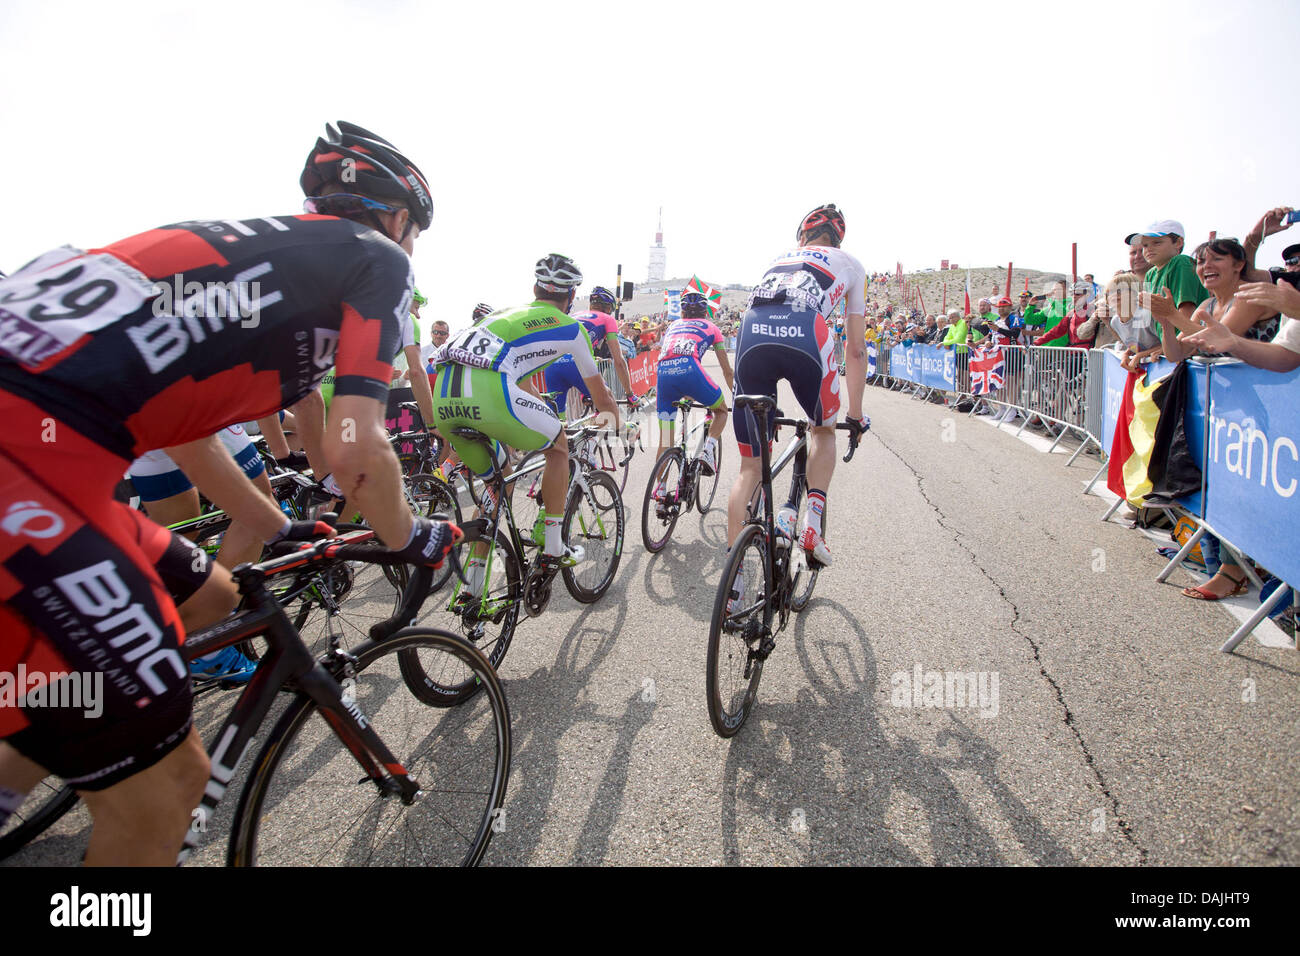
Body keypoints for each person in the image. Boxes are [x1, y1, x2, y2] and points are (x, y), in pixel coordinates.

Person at [0, 120, 459, 865]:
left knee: (209, 596)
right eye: (416, 232)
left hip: (52, 462)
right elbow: (357, 448)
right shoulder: (375, 261)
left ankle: (43, 737)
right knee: (170, 792)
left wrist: (273, 528)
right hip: (31, 462)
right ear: (399, 218)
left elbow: (184, 427)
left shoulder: (263, 265)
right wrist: (410, 539)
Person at [429, 254, 619, 572]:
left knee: (496, 485)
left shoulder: (507, 315)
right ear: (571, 297)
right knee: (559, 447)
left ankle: (474, 585)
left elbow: (524, 385)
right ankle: (555, 547)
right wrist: (618, 424)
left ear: (534, 289)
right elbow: (601, 397)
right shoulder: (572, 329)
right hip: (490, 393)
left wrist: (544, 411)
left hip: (445, 399)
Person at [727, 204, 869, 569]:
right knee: (823, 430)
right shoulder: (850, 263)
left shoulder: (780, 257)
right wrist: (854, 415)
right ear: (838, 239)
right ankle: (812, 526)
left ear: (801, 236)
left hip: (751, 333)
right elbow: (855, 349)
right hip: (806, 330)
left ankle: (734, 583)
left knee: (751, 467)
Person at [653, 290, 735, 483]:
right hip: (690, 370)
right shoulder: (712, 327)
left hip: (663, 374)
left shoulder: (672, 326)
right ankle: (707, 451)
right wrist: (737, 396)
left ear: (682, 312)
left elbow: (672, 354)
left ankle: (661, 495)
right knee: (721, 411)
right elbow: (727, 371)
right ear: (705, 311)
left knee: (665, 440)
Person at [543, 286, 635, 410]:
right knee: (609, 410)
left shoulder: (573, 315)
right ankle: (620, 426)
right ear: (608, 308)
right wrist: (630, 394)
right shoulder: (608, 319)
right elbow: (619, 361)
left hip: (552, 365)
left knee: (557, 423)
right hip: (578, 363)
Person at [1135, 219, 1208, 358]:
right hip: (1171, 348)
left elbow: (1187, 312)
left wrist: (1177, 346)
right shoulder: (1150, 273)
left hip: (1189, 349)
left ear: (1178, 243)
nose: (1149, 249)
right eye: (1145, 245)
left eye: (1157, 242)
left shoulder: (1181, 263)